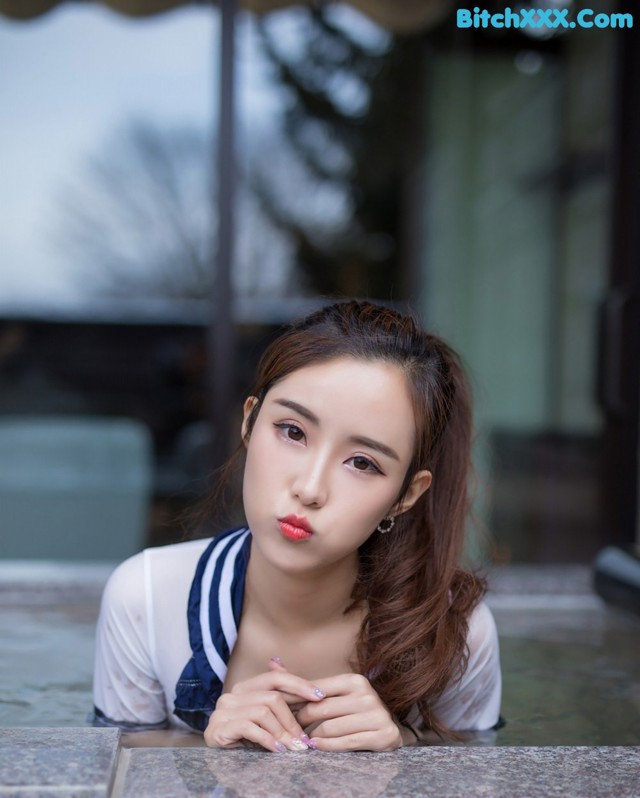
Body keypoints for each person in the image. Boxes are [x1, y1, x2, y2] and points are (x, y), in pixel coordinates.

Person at [92, 300, 501, 752]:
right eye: (292, 431)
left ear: (406, 495)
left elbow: (479, 789)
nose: (309, 488)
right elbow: (116, 780)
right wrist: (205, 750)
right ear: (249, 420)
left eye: (362, 462)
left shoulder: (455, 630)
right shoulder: (146, 599)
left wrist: (403, 747)